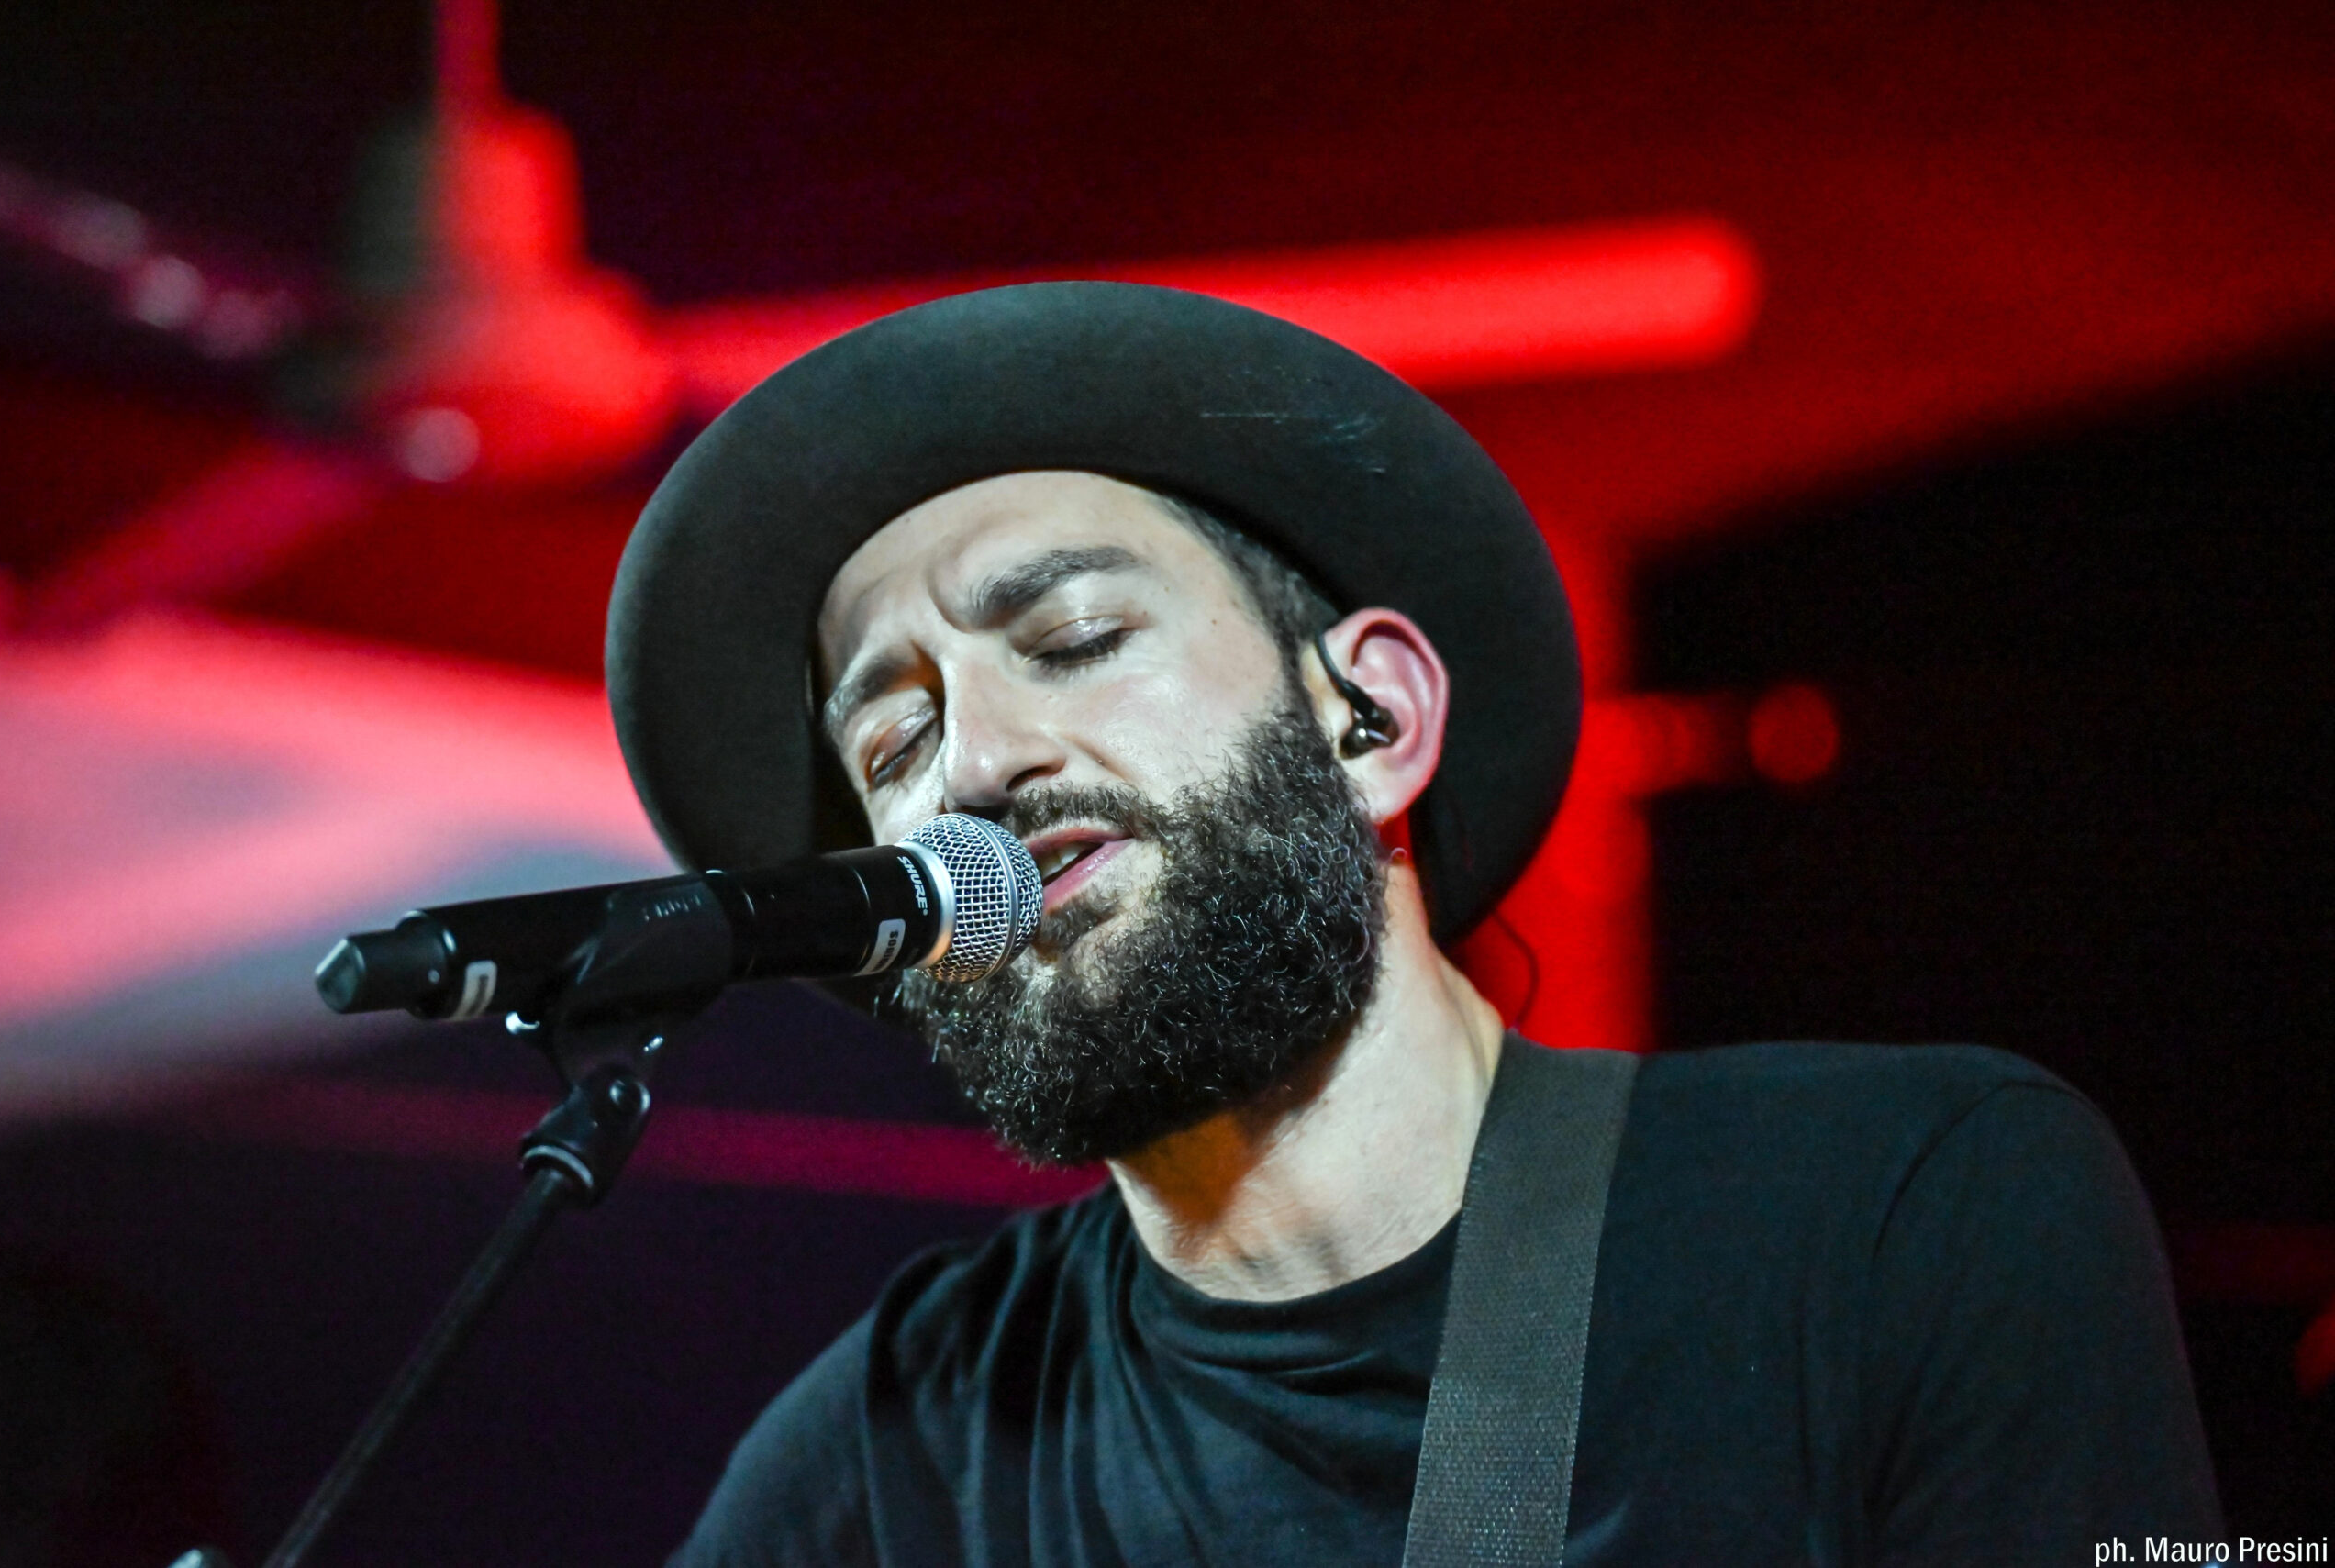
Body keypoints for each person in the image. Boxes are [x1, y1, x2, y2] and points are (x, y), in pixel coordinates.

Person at [605, 284, 2223, 1565]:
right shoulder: (899, 1448)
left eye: (1078, 634)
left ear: (1371, 719)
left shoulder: (1906, 1212)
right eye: (893, 743)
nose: (971, 763)